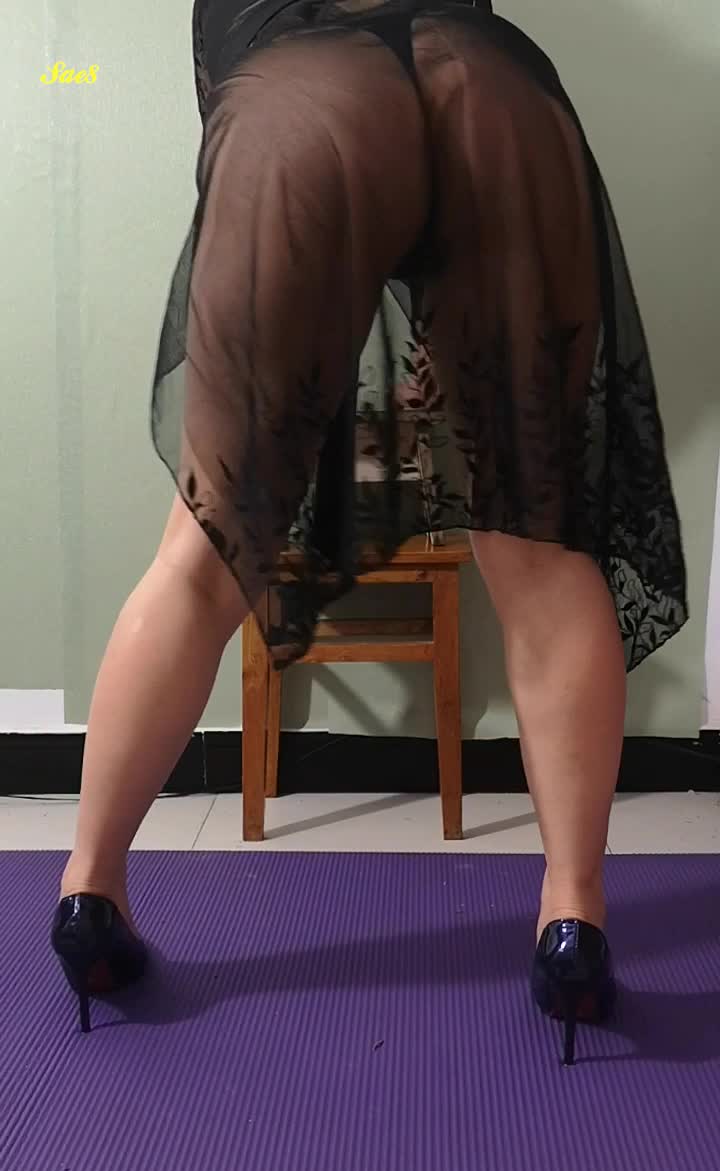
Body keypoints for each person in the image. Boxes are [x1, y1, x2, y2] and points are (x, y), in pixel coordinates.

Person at [51, 0, 687, 1062]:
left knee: (202, 559)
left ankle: (90, 894)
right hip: (490, 83)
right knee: (542, 550)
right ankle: (574, 920)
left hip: (298, 93)